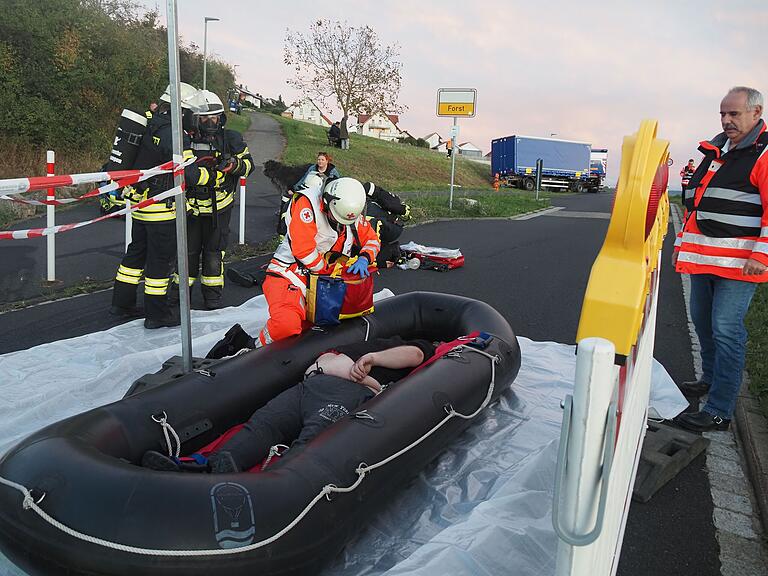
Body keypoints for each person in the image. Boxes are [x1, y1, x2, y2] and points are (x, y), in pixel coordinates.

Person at [142, 336, 436, 473]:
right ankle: (207, 467)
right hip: (308, 387)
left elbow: (416, 355)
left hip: (346, 392)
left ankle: (274, 487)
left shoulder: (399, 350)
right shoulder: (358, 341)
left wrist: (375, 358)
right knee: (263, 424)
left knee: (315, 438)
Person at [673, 86, 768, 433]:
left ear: (756, 114)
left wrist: (763, 254)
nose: (726, 121)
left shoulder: (764, 153)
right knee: (703, 324)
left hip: (740, 266)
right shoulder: (717, 151)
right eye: (723, 114)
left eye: (734, 114)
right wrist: (680, 244)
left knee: (726, 331)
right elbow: (695, 204)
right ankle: (709, 380)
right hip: (703, 260)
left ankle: (719, 410)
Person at [110, 82, 221, 329]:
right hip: (162, 208)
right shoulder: (175, 132)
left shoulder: (151, 123)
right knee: (160, 263)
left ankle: (121, 302)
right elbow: (189, 172)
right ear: (183, 111)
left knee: (136, 253)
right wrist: (210, 177)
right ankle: (157, 315)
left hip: (141, 204)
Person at [260, 177, 380, 345]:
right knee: (287, 325)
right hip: (291, 274)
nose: (340, 224)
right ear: (327, 201)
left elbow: (372, 240)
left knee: (314, 332)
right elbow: (304, 251)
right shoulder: (308, 205)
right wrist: (329, 270)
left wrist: (364, 258)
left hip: (323, 284)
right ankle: (254, 347)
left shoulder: (349, 212)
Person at [183, 89, 253, 310]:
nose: (210, 121)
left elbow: (249, 166)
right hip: (191, 209)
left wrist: (234, 165)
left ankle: (212, 300)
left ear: (220, 117)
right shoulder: (187, 140)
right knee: (188, 255)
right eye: (204, 117)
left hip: (219, 209)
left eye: (214, 116)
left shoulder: (231, 138)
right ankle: (179, 299)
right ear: (196, 118)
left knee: (213, 255)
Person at [362, 181, 411, 267]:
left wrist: (400, 209)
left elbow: (369, 187)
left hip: (391, 224)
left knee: (368, 222)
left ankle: (389, 252)